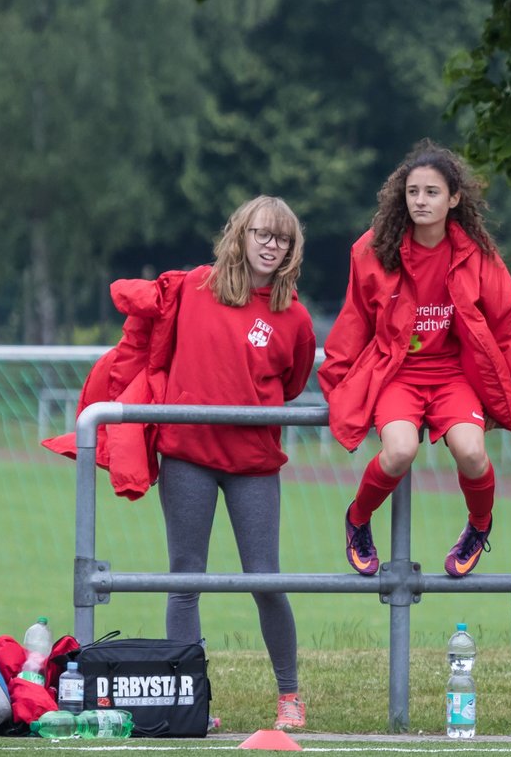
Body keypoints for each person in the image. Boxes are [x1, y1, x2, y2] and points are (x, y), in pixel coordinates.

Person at [319, 141, 511, 579]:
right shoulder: (373, 251)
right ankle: (357, 519)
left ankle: (478, 525)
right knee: (399, 451)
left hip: (453, 378)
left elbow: (506, 327)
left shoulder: (479, 256)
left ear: (454, 198)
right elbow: (353, 321)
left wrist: (506, 394)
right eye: (413, 192)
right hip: (397, 375)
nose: (420, 201)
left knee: (472, 452)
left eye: (432, 192)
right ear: (402, 196)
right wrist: (338, 386)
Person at [155, 196, 316, 731]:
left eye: (283, 239)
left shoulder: (292, 315)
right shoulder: (194, 286)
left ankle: (289, 694)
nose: (272, 246)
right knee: (185, 581)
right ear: (240, 235)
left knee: (265, 580)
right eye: (263, 234)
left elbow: (291, 384)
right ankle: (186, 701)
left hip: (252, 463)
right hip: (187, 457)